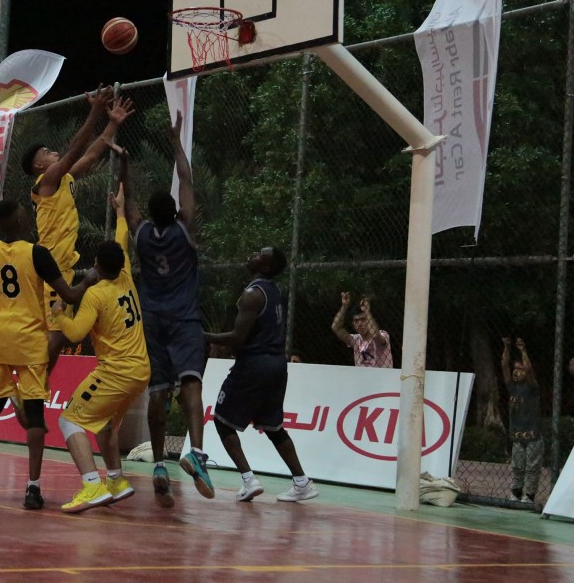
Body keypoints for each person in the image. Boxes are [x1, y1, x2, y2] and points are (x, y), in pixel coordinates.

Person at [0, 200, 96, 510]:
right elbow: (68, 295)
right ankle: (33, 488)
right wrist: (89, 280)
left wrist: (4, 307)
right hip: (28, 341)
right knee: (35, 413)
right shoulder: (37, 253)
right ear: (21, 222)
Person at [115, 112, 213, 508]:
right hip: (184, 319)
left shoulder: (140, 234)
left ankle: (158, 464)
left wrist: (124, 164)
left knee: (158, 392)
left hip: (151, 320)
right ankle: (197, 454)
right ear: (175, 212)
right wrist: (175, 141)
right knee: (191, 384)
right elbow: (187, 180)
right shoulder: (184, 230)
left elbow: (127, 200)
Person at [48, 183, 151, 514]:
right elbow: (121, 238)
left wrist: (59, 314)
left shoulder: (95, 294)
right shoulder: (126, 276)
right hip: (140, 371)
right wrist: (120, 211)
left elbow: (76, 334)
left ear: (96, 265)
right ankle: (117, 481)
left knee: (69, 421)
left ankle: (92, 485)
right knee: (104, 424)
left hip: (116, 373)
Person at [21, 85, 136, 371]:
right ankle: (35, 386)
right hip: (52, 264)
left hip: (60, 265)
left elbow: (91, 154)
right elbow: (74, 150)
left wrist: (112, 123)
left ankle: (35, 384)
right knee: (57, 333)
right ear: (39, 165)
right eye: (47, 152)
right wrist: (95, 112)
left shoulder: (64, 179)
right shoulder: (46, 181)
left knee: (55, 334)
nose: (54, 152)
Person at [203, 246, 319, 503]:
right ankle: (302, 482)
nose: (251, 254)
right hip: (277, 364)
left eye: (258, 254)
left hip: (254, 364)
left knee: (222, 421)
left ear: (265, 267)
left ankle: (249, 480)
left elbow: (236, 337)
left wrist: (201, 335)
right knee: (273, 426)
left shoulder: (252, 294)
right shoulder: (274, 291)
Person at [501, 337, 542, 505]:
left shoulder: (532, 387)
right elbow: (504, 365)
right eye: (515, 369)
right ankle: (516, 492)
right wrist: (507, 347)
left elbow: (529, 370)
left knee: (532, 466)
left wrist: (523, 350)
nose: (516, 372)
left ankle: (529, 495)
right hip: (517, 435)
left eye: (520, 369)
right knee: (517, 465)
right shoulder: (512, 387)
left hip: (532, 435)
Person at [330, 292, 393, 368]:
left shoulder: (383, 334)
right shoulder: (355, 339)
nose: (360, 324)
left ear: (370, 320)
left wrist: (367, 311)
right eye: (356, 321)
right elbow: (336, 328)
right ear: (353, 324)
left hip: (382, 374)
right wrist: (344, 306)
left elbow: (375, 335)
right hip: (361, 375)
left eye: (363, 319)